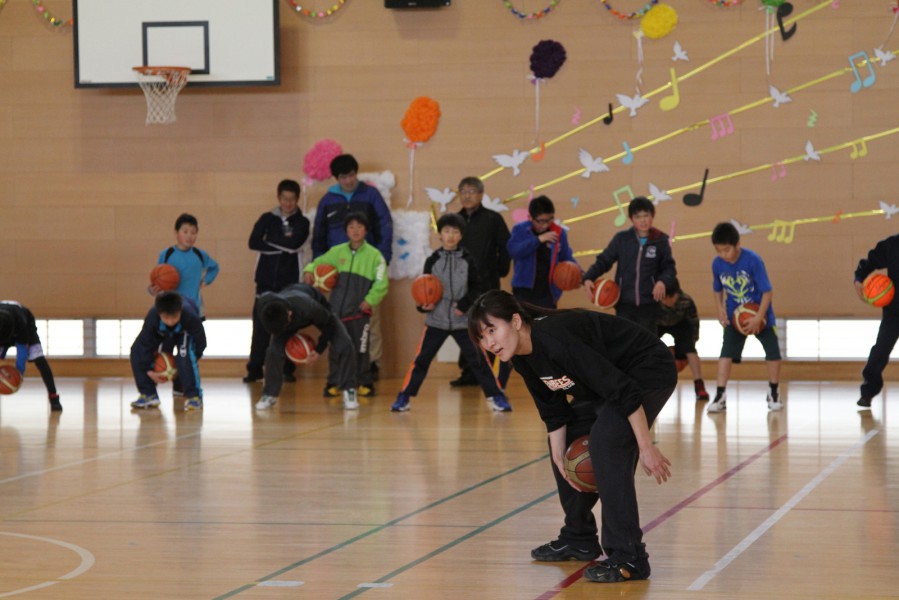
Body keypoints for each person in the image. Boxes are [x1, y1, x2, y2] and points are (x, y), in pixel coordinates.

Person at [467, 290, 676, 583]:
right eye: (481, 337)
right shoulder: (522, 357)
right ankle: (579, 538)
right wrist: (559, 457)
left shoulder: (554, 339)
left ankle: (630, 557)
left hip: (647, 369)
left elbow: (622, 390)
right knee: (565, 441)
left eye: (492, 330)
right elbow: (553, 411)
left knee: (607, 443)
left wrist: (645, 446)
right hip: (604, 383)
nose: (489, 343)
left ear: (515, 321)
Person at [392, 214, 509, 412]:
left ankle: (496, 396)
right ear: (440, 235)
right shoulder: (432, 260)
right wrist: (423, 306)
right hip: (436, 321)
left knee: (480, 361)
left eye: (455, 232)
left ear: (461, 235)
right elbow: (423, 288)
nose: (451, 235)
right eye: (447, 231)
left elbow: (477, 288)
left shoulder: (468, 259)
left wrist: (464, 305)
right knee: (421, 360)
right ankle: (404, 396)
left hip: (463, 321)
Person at [312, 154, 393, 382]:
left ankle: (372, 364)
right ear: (336, 178)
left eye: (351, 175)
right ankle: (341, 366)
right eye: (343, 177)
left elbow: (385, 225)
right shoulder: (327, 200)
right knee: (338, 320)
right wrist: (320, 268)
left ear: (356, 174)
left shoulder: (371, 195)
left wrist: (383, 258)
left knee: (369, 319)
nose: (348, 180)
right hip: (338, 272)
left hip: (366, 269)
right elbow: (318, 236)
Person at [303, 212, 388, 398]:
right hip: (336, 312)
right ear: (346, 231)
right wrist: (309, 271)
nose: (355, 230)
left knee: (361, 348)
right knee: (336, 348)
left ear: (366, 230)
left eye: (359, 227)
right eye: (351, 227)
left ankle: (364, 382)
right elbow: (317, 262)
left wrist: (370, 300)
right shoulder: (337, 251)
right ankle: (334, 382)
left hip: (359, 312)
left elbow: (381, 284)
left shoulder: (375, 256)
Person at [708, 222, 782, 413]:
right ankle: (720, 395)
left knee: (773, 353)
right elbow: (717, 289)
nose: (723, 254)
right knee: (725, 354)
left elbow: (767, 292)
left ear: (737, 244)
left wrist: (758, 317)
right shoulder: (717, 264)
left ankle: (773, 391)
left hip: (760, 314)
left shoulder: (753, 260)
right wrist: (719, 309)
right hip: (734, 316)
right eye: (719, 251)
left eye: (726, 250)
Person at [245, 179, 310, 384]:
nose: (288, 203)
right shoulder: (267, 218)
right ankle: (255, 369)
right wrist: (283, 245)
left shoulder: (302, 222)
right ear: (278, 198)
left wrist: (268, 241)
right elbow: (253, 242)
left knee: (287, 326)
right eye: (284, 198)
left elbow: (294, 245)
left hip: (289, 282)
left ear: (297, 200)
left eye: (292, 199)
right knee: (260, 326)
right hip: (265, 281)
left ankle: (286, 370)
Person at [255, 283, 359, 411]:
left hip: (318, 308)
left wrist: (318, 350)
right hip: (285, 308)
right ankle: (269, 394)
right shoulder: (265, 308)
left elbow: (329, 324)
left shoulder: (308, 306)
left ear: (289, 313)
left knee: (345, 343)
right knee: (273, 351)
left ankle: (349, 389)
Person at [583, 197, 676, 333]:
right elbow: (604, 260)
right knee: (624, 341)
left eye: (646, 215)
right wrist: (588, 277)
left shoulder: (660, 240)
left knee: (646, 342)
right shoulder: (622, 239)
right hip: (624, 303)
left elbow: (669, 268)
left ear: (652, 215)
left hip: (649, 304)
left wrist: (662, 281)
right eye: (638, 217)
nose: (643, 220)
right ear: (631, 219)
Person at [452, 176, 511, 388]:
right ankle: (468, 373)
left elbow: (505, 247)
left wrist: (501, 269)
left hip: (487, 283)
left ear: (481, 194)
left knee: (487, 327)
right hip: (462, 286)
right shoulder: (455, 220)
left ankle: (487, 374)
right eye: (463, 191)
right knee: (467, 328)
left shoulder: (492, 218)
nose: (467, 196)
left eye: (471, 191)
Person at [130, 292, 206, 411]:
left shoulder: (190, 315)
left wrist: (192, 359)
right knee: (136, 350)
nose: (170, 321)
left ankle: (194, 397)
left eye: (174, 317)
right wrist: (149, 370)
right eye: (166, 317)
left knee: (185, 356)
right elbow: (145, 344)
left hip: (184, 332)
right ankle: (149, 394)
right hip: (162, 333)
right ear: (159, 313)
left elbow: (201, 341)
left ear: (180, 312)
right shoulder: (152, 316)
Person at [853, 233, 899, 408]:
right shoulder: (893, 245)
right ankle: (868, 392)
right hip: (894, 312)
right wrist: (859, 278)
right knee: (880, 351)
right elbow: (869, 262)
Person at [507, 195, 577, 309]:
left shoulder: (559, 233)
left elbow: (566, 257)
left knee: (547, 320)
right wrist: (538, 240)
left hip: (548, 292)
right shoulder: (520, 229)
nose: (546, 224)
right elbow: (514, 251)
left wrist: (580, 274)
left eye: (550, 219)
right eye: (541, 221)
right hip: (523, 291)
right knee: (522, 319)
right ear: (531, 217)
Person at [150, 213, 219, 318]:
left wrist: (205, 281)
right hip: (171, 309)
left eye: (193, 232)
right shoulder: (166, 254)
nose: (189, 236)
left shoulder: (200, 254)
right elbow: (158, 279)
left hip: (194, 308)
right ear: (176, 233)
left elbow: (215, 267)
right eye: (185, 232)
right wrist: (153, 290)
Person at [0, 301, 62, 411]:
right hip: (7, 324)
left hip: (25, 324)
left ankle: (54, 397)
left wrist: (19, 374)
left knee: (39, 360)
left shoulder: (21, 323)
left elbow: (22, 351)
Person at [658, 277, 710, 402]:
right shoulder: (653, 300)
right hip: (658, 324)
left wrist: (689, 345)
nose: (667, 301)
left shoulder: (686, 301)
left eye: (671, 297)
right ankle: (651, 382)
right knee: (649, 348)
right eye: (664, 298)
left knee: (690, 349)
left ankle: (699, 385)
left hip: (680, 324)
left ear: (677, 294)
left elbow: (694, 323)